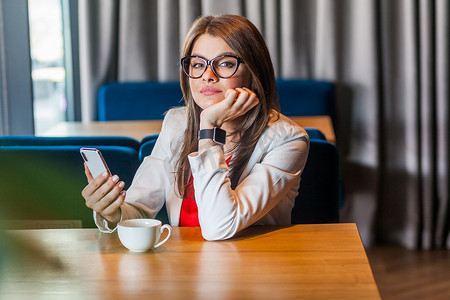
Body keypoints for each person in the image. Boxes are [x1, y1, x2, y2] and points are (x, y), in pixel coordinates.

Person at [81, 15, 309, 241]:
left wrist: (209, 127)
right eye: (198, 64)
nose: (208, 76)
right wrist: (113, 212)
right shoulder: (176, 123)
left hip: (252, 266)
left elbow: (219, 227)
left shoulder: (288, 140)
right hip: (184, 265)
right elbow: (139, 208)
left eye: (226, 63)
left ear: (254, 72)